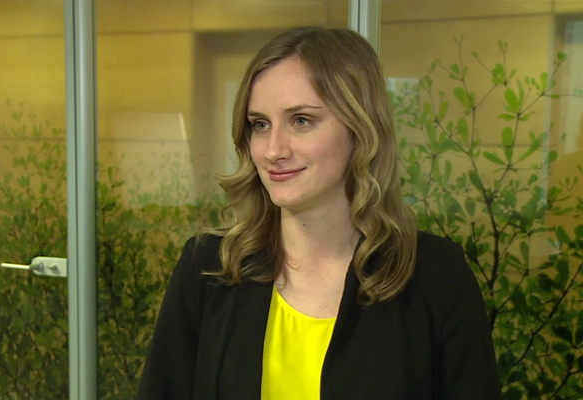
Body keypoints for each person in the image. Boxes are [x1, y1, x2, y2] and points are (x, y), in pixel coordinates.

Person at [137, 26, 500, 400]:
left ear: (360, 130)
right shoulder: (207, 269)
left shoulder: (437, 277)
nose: (273, 150)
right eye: (260, 125)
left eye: (301, 121)